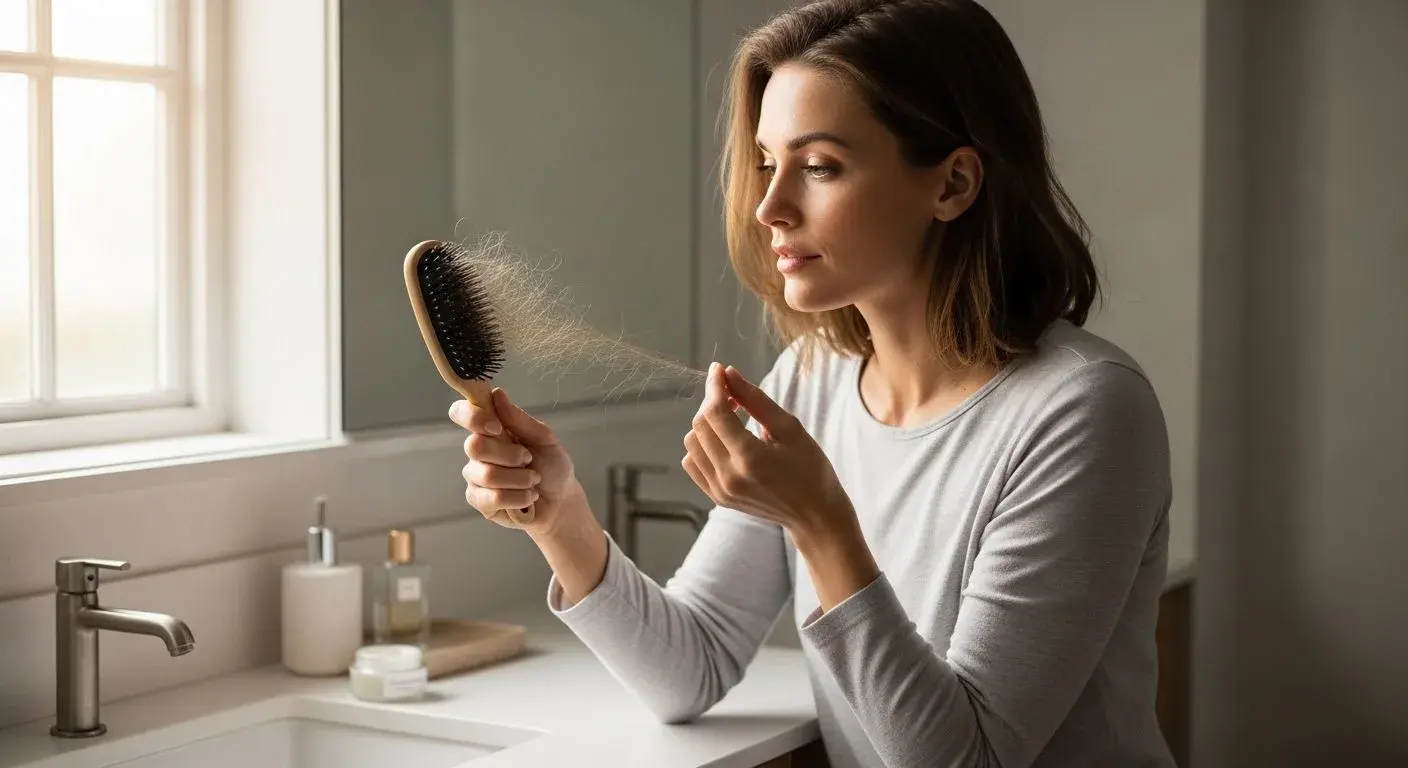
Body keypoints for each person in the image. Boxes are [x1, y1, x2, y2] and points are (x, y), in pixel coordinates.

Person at [448, 1, 1175, 766]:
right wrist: (558, 517)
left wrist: (823, 522)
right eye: (767, 163)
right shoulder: (811, 382)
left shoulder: (1084, 409)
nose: (769, 207)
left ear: (954, 184)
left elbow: (965, 760)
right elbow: (687, 667)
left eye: (820, 166)